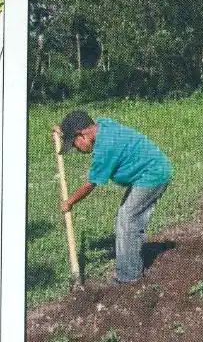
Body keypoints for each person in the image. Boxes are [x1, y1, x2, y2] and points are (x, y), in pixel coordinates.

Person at [56, 110, 172, 284]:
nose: (76, 149)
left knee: (128, 219)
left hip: (153, 175)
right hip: (147, 172)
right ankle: (129, 268)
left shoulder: (105, 149)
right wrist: (63, 130)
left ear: (82, 134)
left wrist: (69, 202)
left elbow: (90, 184)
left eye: (74, 143)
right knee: (126, 219)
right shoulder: (102, 125)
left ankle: (129, 276)